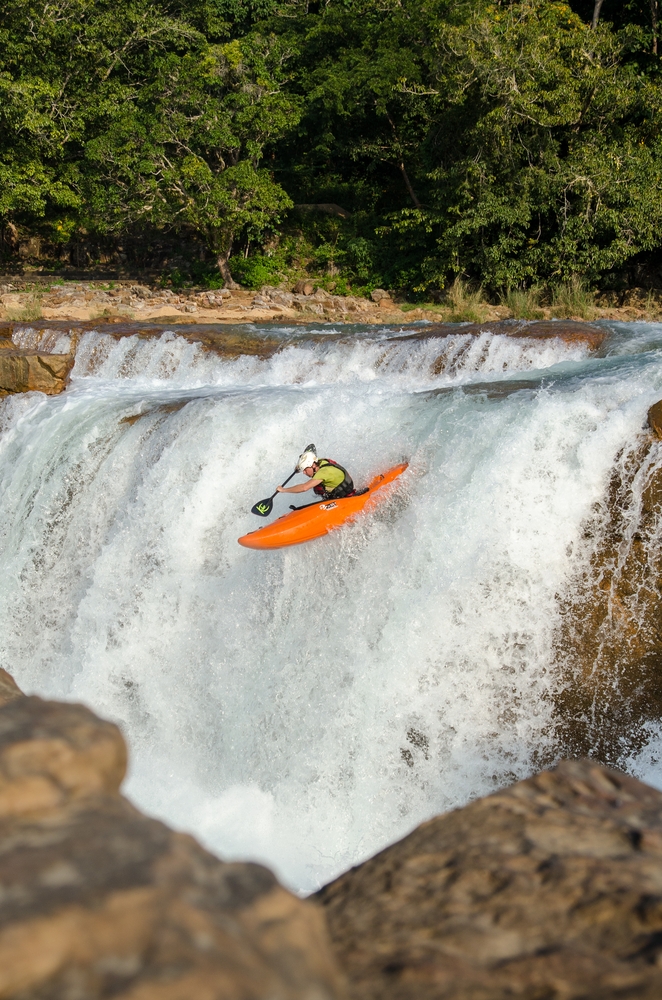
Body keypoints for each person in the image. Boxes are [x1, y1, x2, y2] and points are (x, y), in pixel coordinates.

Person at [276, 445, 355, 501]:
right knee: (318, 487)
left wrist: (283, 490)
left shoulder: (324, 472)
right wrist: (299, 467)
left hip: (346, 498)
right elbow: (310, 458)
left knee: (316, 486)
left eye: (305, 469)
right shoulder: (320, 462)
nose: (304, 472)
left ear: (313, 465)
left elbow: (304, 487)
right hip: (339, 495)